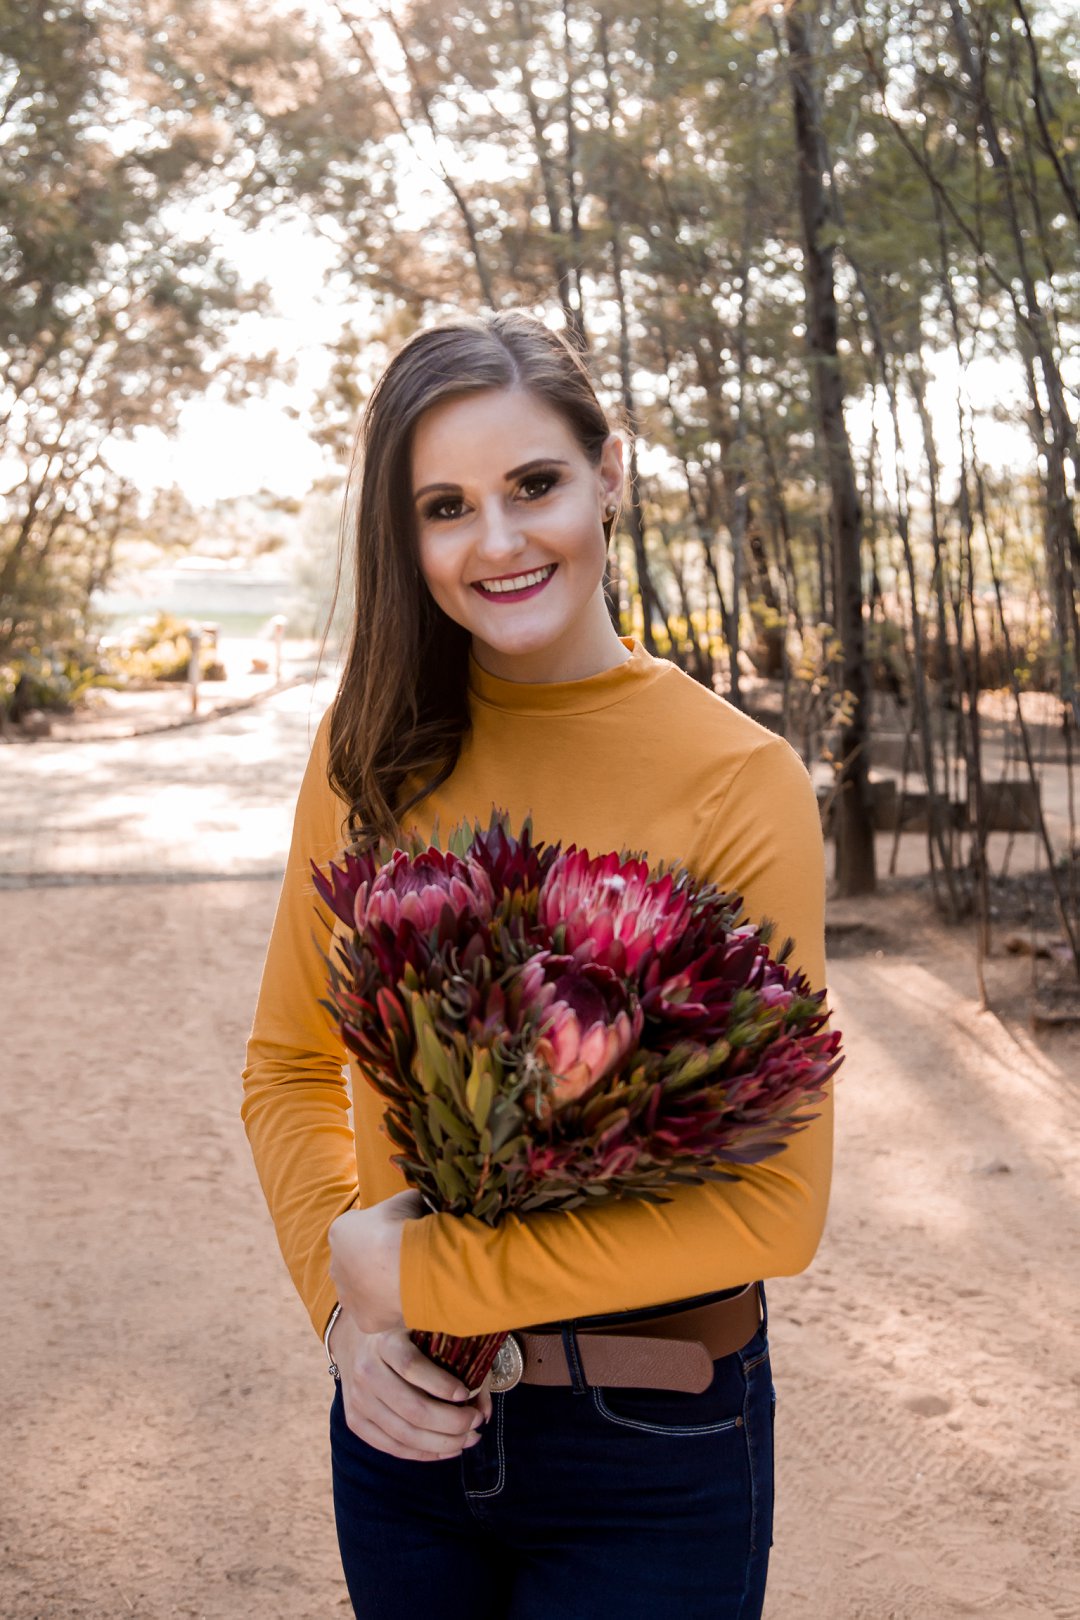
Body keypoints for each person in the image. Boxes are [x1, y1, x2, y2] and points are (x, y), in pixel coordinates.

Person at [241, 309, 832, 1619]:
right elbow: (288, 1064)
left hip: (655, 1452)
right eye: (445, 506)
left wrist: (426, 1273)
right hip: (407, 1443)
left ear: (606, 476)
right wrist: (344, 1319)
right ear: (406, 537)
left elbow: (772, 1212)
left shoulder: (740, 783)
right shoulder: (371, 750)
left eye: (534, 486)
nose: (498, 542)